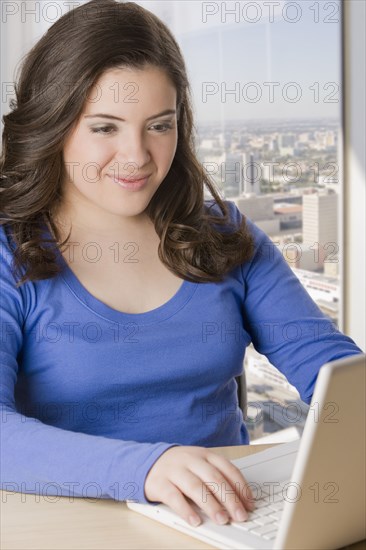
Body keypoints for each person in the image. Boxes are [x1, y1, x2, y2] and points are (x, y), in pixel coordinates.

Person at [0, 0, 362, 531]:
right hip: (68, 531)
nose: (137, 155)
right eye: (105, 127)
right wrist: (147, 467)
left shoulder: (223, 233)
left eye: (159, 125)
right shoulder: (10, 252)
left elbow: (331, 371)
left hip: (225, 524)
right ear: (54, 125)